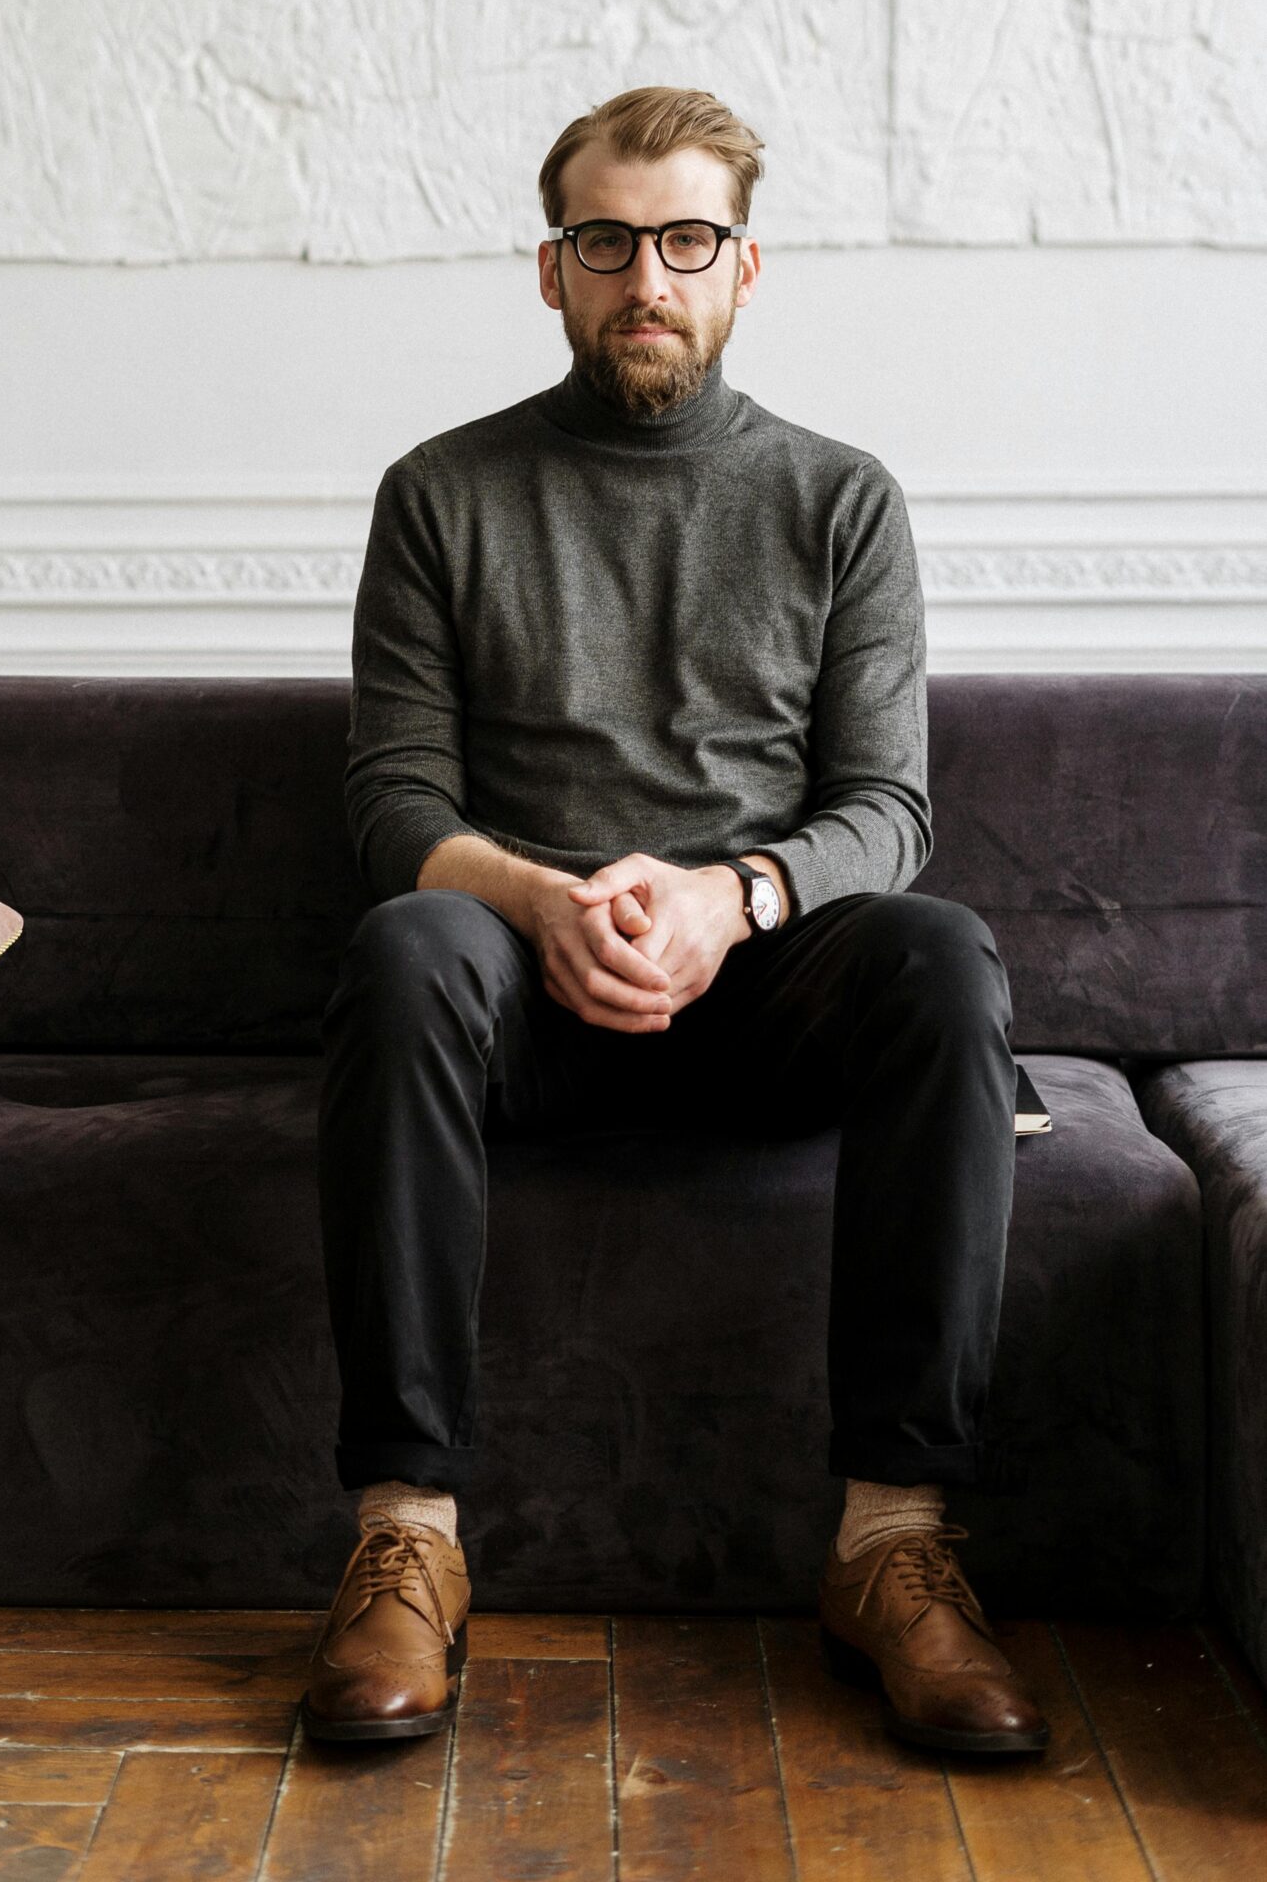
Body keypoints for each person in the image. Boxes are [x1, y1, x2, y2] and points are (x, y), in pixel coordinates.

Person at [299, 87, 1049, 1758]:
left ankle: (893, 1551)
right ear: (551, 269)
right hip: (519, 988)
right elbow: (394, 805)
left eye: (686, 240)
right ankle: (407, 1537)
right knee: (406, 945)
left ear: (744, 266)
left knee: (939, 951)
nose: (650, 275)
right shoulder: (442, 494)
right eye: (609, 242)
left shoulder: (840, 500)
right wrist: (541, 898)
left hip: (765, 983)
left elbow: (889, 810)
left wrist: (727, 897)